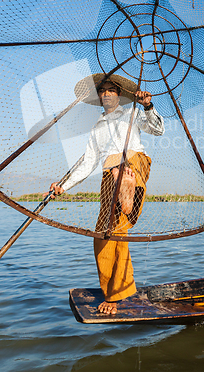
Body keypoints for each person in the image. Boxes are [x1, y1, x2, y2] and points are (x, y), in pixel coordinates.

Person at [49, 74, 164, 315]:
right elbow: (87, 162)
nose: (107, 93)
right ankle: (114, 287)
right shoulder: (97, 127)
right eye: (103, 91)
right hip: (108, 178)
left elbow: (157, 130)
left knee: (118, 175)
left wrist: (148, 106)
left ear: (120, 95)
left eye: (112, 90)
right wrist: (63, 185)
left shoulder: (132, 113)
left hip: (133, 164)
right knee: (104, 234)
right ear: (99, 96)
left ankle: (115, 295)